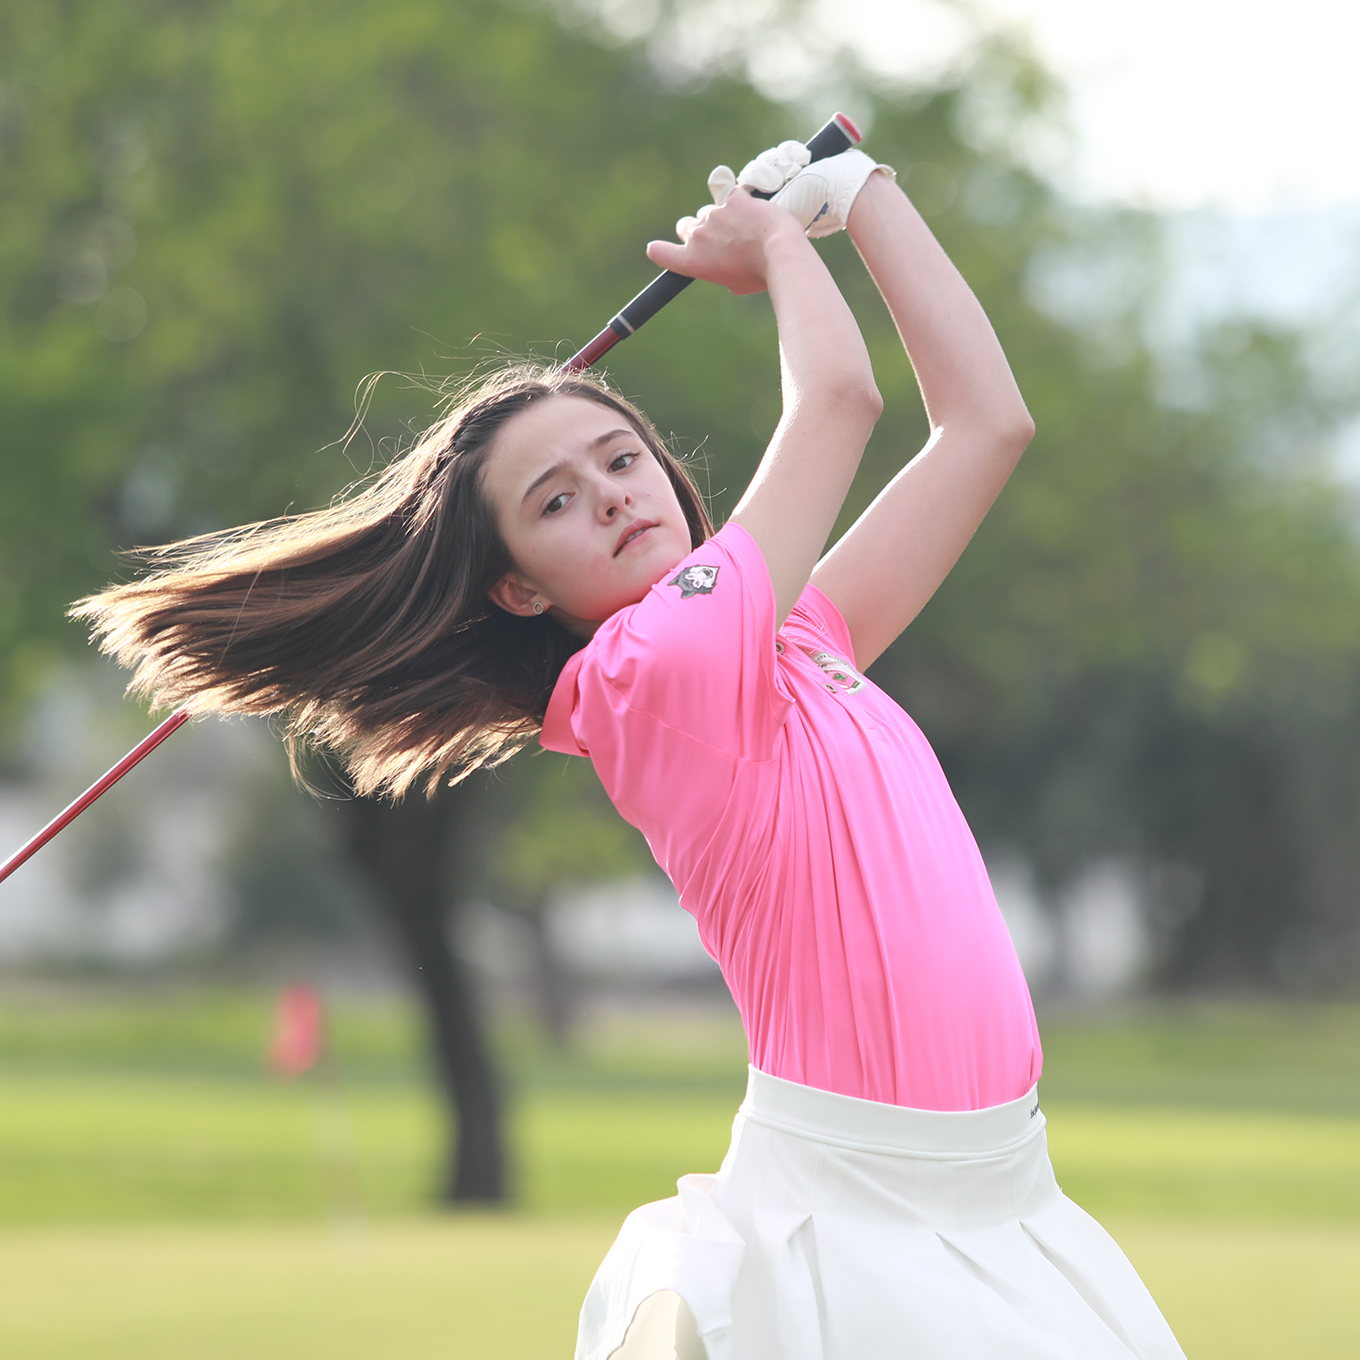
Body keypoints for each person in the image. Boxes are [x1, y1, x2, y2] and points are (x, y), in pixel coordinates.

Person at [75, 139, 1186, 1360]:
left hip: (1006, 1190)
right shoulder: (647, 676)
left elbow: (984, 424)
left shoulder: (802, 635)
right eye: (553, 501)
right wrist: (772, 243)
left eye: (619, 457)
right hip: (846, 1213)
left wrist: (862, 195)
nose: (610, 493)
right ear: (516, 589)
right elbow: (840, 400)